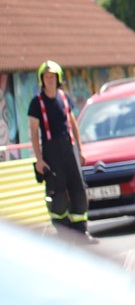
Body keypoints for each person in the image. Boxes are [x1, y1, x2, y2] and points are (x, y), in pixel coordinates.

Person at [27, 60, 97, 244]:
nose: (49, 80)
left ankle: (81, 232)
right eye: (46, 76)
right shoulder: (36, 103)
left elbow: (73, 124)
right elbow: (33, 132)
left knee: (79, 190)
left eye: (53, 76)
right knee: (57, 194)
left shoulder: (65, 98)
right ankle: (64, 234)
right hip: (51, 151)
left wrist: (80, 150)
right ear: (42, 79)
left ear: (58, 79)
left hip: (69, 149)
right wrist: (39, 160)